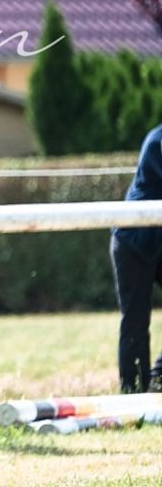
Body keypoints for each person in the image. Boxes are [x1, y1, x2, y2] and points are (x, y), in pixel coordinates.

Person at [112, 123, 162, 393]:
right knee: (136, 320)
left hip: (158, 240)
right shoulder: (159, 139)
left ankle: (159, 379)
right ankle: (133, 391)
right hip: (134, 241)